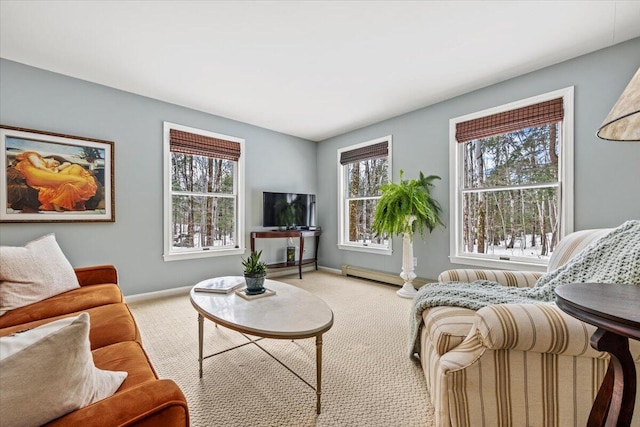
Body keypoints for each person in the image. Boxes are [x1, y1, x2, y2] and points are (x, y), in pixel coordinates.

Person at [14, 151, 98, 212]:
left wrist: (60, 167)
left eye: (57, 165)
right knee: (82, 181)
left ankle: (61, 196)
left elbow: (60, 171)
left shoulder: (51, 168)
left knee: (76, 167)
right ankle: (58, 201)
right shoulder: (33, 154)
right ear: (51, 158)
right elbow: (38, 165)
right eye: (55, 162)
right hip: (36, 175)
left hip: (43, 175)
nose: (55, 165)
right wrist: (52, 170)